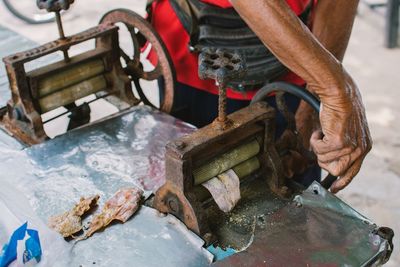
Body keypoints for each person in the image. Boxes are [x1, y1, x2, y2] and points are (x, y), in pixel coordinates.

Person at [146, 0, 372, 193]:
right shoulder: (330, 85)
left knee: (290, 194)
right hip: (192, 57)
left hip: (299, 69)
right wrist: (336, 90)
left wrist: (313, 103)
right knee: (187, 186)